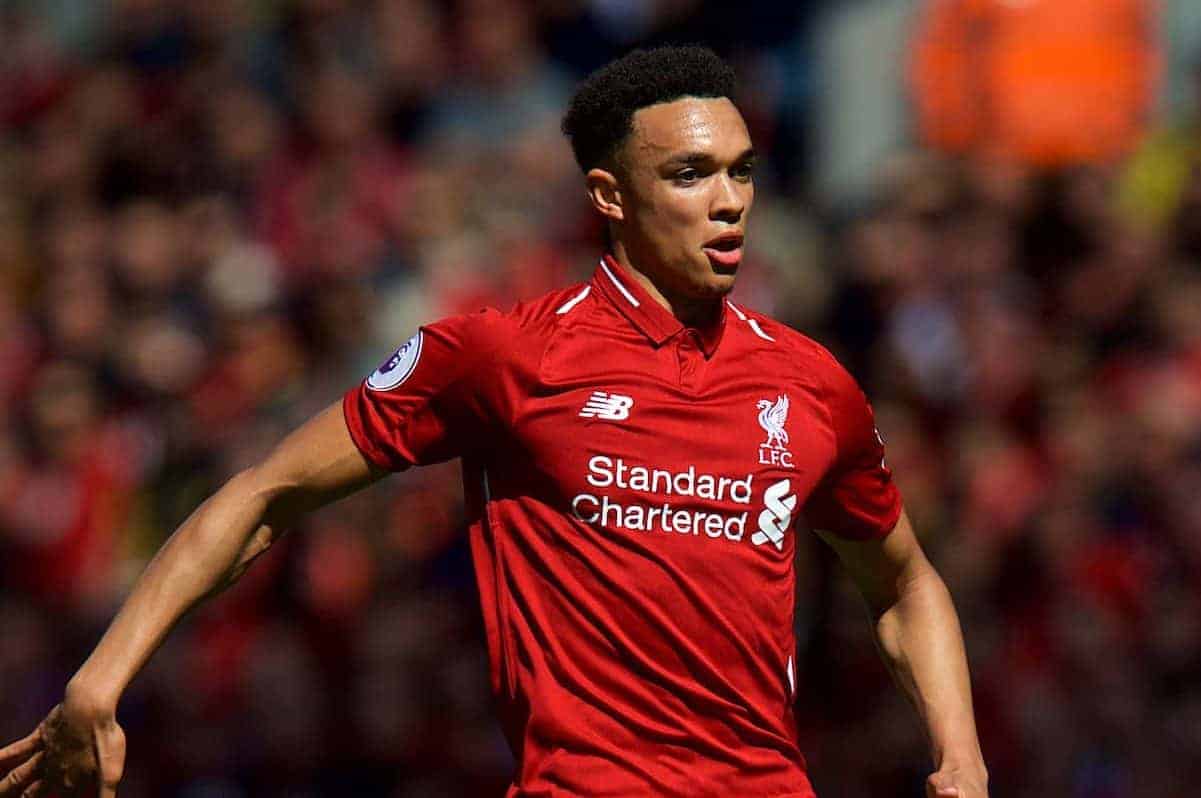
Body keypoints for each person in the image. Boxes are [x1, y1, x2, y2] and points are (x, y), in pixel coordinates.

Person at [0, 46, 988, 797]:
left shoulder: (811, 383)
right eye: (689, 175)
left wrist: (962, 760)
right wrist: (102, 679)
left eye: (739, 171)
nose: (727, 201)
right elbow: (268, 494)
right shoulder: (507, 356)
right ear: (610, 195)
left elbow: (901, 582)